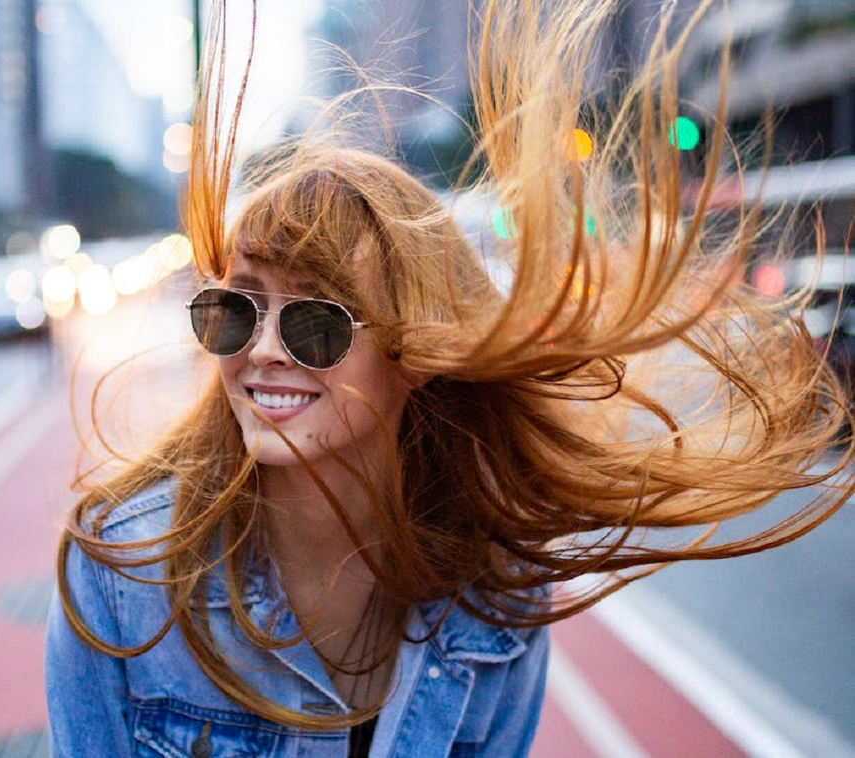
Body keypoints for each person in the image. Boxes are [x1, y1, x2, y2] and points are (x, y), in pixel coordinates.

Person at [45, 0, 854, 756]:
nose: (261, 350)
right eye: (232, 311)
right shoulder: (120, 569)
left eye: (317, 321)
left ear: (418, 355)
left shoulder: (496, 598)